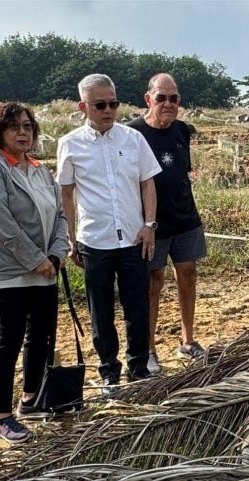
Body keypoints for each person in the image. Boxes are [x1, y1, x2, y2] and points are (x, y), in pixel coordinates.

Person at [57, 73, 162, 389]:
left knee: (137, 307)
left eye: (113, 103)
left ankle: (139, 368)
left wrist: (149, 226)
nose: (108, 110)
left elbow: (148, 182)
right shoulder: (70, 144)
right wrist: (71, 239)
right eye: (100, 104)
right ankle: (108, 371)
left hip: (133, 237)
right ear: (83, 106)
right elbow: (66, 193)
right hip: (95, 240)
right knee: (101, 311)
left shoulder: (133, 139)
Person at [0, 102, 69, 443]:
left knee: (41, 337)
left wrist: (57, 253)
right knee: (8, 341)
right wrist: (35, 259)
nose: (23, 132)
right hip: (11, 272)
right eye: (15, 127)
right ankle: (1, 416)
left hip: (46, 270)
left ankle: (30, 400)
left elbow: (60, 215)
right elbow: (1, 224)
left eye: (28, 126)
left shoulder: (40, 170)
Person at [128, 73, 207, 374]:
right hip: (152, 223)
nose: (168, 104)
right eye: (161, 98)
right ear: (148, 99)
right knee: (153, 282)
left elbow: (182, 171)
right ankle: (149, 349)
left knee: (187, 274)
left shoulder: (182, 131)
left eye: (174, 98)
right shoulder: (133, 133)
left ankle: (187, 340)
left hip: (185, 217)